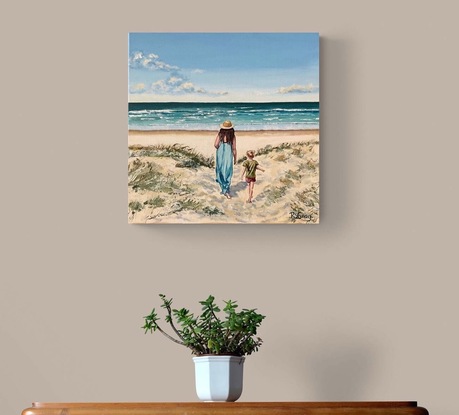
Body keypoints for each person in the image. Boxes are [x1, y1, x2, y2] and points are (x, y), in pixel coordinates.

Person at [214, 120, 237, 199]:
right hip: (228, 153)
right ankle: (226, 189)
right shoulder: (232, 136)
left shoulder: (220, 134)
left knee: (220, 169)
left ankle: (224, 188)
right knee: (227, 170)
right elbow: (234, 149)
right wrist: (235, 159)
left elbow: (215, 144)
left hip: (220, 152)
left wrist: (220, 148)